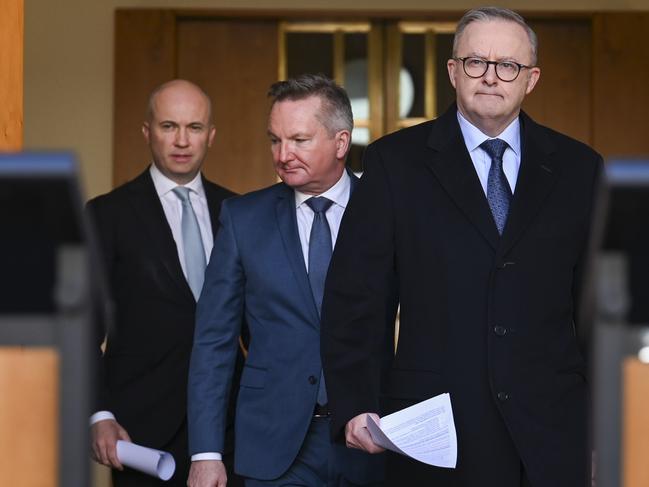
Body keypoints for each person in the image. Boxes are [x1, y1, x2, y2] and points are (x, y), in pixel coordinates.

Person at [320, 7, 603, 487]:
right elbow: (357, 295)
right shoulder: (395, 161)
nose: (491, 77)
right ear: (453, 71)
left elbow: (597, 310)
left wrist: (607, 426)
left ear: (530, 79)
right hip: (435, 431)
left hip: (554, 432)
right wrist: (356, 401)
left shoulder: (580, 168)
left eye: (508, 66)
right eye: (476, 62)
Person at [187, 74, 384, 487]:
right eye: (275, 140)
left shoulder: (386, 214)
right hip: (273, 444)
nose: (283, 154)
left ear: (341, 143)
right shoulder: (242, 219)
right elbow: (214, 340)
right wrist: (205, 452)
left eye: (299, 140)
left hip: (372, 438)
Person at [87, 79, 242, 487]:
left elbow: (260, 326)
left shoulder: (240, 213)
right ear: (146, 132)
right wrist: (99, 415)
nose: (181, 140)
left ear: (211, 135)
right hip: (140, 432)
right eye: (168, 126)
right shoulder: (107, 215)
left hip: (231, 429)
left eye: (194, 128)